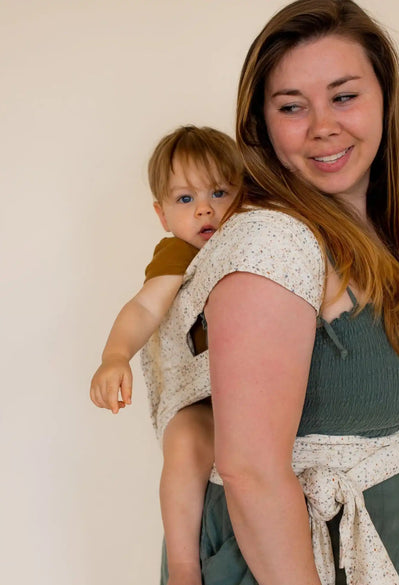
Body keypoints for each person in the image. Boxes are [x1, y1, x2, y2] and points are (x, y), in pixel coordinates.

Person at [156, 1, 399, 584]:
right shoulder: (272, 245)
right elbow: (251, 472)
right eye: (292, 107)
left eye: (344, 96)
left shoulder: (371, 232)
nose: (322, 126)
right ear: (261, 123)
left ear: (385, 97)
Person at [90, 125, 243, 585]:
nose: (205, 208)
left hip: (257, 385)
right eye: (184, 199)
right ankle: (182, 568)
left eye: (220, 191)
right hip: (201, 393)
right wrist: (115, 356)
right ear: (161, 215)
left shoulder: (256, 241)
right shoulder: (178, 253)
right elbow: (144, 306)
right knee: (184, 443)